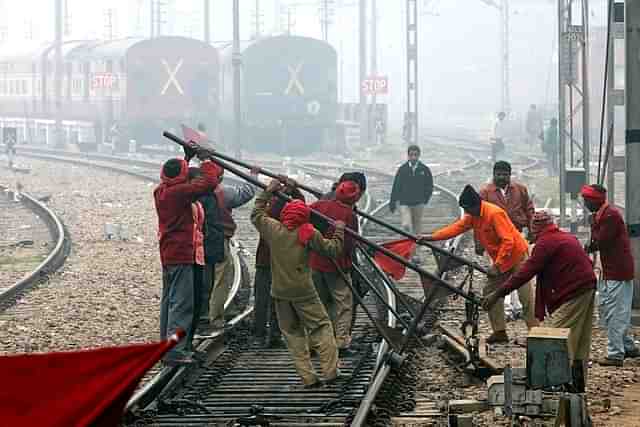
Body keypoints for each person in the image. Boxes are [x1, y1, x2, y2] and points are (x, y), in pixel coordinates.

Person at [482, 211, 597, 393]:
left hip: (574, 291)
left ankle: (551, 384)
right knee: (579, 338)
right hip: (587, 287)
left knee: (553, 336)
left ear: (535, 230)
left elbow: (525, 273)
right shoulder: (564, 237)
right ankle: (577, 384)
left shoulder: (545, 244)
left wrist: (497, 294)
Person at [251, 178, 345, 388]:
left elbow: (256, 214)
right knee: (321, 327)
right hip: (304, 291)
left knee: (293, 334)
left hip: (280, 292)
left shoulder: (273, 229)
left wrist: (267, 192)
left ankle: (308, 378)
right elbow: (333, 250)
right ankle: (331, 372)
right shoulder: (307, 233)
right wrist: (339, 230)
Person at [420, 185, 536, 344]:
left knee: (525, 296)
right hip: (501, 260)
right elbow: (456, 228)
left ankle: (535, 332)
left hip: (516, 256)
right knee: (490, 292)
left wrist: (497, 265)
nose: (466, 213)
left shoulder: (494, 214)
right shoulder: (473, 216)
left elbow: (508, 241)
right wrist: (432, 237)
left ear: (475, 205)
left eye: (467, 209)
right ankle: (500, 331)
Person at [154, 147, 222, 365]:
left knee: (170, 301)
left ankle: (168, 345)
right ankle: (174, 350)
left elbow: (179, 178)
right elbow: (208, 182)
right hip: (182, 253)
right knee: (181, 303)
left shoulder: (162, 190)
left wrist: (187, 158)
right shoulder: (178, 193)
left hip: (170, 253)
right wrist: (206, 160)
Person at [581, 184, 639, 366]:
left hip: (617, 272)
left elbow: (600, 242)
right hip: (609, 270)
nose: (584, 203)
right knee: (609, 310)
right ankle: (628, 346)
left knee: (616, 313)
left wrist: (589, 237)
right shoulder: (602, 215)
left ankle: (615, 354)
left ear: (594, 200)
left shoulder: (610, 216)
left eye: (586, 200)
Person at [479, 161, 537, 324]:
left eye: (505, 174)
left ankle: (519, 308)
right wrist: (479, 242)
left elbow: (529, 210)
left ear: (509, 175)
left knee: (520, 276)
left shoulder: (520, 190)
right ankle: (505, 310)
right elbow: (478, 219)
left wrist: (532, 230)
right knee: (498, 276)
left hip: (517, 237)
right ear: (493, 174)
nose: (501, 177)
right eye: (498, 174)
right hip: (496, 243)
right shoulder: (485, 193)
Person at [310, 179, 361, 354]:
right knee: (343, 305)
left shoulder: (318, 205)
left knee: (320, 304)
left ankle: (318, 343)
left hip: (315, 263)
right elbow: (349, 246)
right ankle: (341, 343)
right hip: (338, 266)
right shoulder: (349, 216)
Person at [253, 184, 306, 347]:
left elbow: (257, 211)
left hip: (265, 261)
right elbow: (302, 204)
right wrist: (293, 189)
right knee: (280, 300)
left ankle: (259, 335)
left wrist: (269, 191)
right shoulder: (293, 219)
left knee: (262, 300)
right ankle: (274, 335)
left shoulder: (269, 220)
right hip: (283, 264)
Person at [208, 171, 258, 330]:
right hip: (219, 238)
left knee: (201, 278)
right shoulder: (223, 192)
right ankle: (215, 318)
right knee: (221, 278)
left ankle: (201, 313)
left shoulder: (191, 191)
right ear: (220, 177)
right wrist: (253, 176)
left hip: (197, 239)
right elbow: (246, 193)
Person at [187, 167, 225, 337]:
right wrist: (207, 160)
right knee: (202, 288)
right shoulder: (200, 198)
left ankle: (198, 323)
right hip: (201, 250)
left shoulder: (199, 197)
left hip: (205, 249)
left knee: (203, 288)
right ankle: (199, 323)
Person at [390, 145, 433, 237]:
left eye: (415, 155)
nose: (413, 157)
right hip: (404, 203)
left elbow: (429, 186)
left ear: (419, 155)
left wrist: (425, 199)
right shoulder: (402, 169)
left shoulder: (424, 169)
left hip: (419, 203)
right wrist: (392, 202)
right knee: (406, 225)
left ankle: (415, 248)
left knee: (417, 227)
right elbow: (396, 186)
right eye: (411, 155)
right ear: (408, 156)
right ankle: (406, 244)